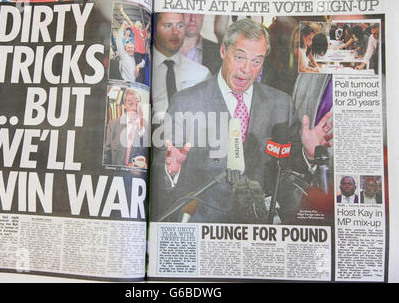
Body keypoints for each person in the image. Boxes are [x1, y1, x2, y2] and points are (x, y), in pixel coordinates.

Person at [151, 18, 333, 223]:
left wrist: (308, 154)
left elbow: (292, 169)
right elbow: (160, 171)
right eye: (240, 57)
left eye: (257, 61)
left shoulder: (280, 104)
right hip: (205, 224)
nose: (247, 69)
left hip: (262, 226)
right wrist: (171, 170)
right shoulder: (186, 103)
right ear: (223, 52)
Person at [152, 12, 212, 123]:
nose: (175, 32)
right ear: (154, 30)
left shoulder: (201, 74)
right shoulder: (141, 68)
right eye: (168, 26)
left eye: (180, 26)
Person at [103, 89, 149, 168]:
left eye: (137, 103)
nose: (135, 108)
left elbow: (147, 153)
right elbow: (106, 154)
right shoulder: (113, 124)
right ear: (124, 105)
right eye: (130, 104)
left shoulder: (145, 125)